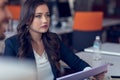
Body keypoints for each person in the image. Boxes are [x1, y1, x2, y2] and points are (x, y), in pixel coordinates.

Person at [3, 0, 105, 80]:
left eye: (47, 15)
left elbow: (76, 62)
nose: (45, 20)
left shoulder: (53, 39)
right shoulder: (12, 44)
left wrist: (91, 73)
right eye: (38, 16)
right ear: (27, 19)